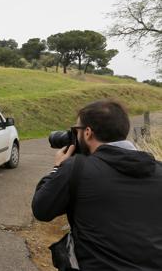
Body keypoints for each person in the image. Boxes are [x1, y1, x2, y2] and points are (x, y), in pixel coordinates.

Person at [32, 100, 162, 270]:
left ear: (87, 133)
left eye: (75, 130)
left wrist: (58, 168)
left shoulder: (77, 168)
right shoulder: (158, 169)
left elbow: (42, 209)